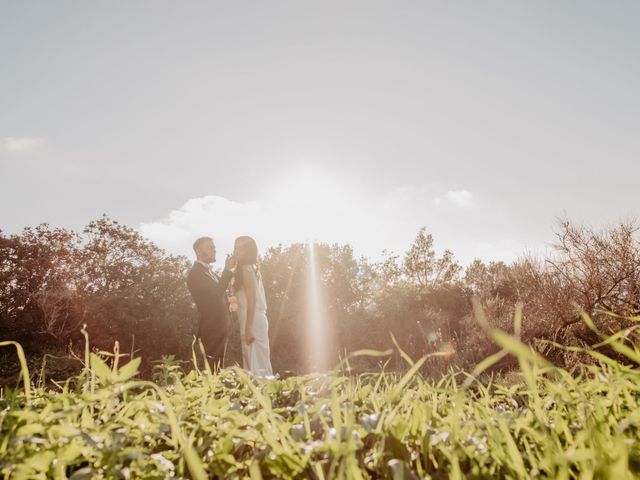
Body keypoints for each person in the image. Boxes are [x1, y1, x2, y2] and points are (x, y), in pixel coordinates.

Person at [186, 236, 236, 371]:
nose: (214, 250)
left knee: (218, 370)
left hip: (221, 328)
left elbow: (222, 290)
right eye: (210, 248)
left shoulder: (210, 272)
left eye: (214, 248)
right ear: (198, 251)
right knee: (212, 370)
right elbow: (216, 294)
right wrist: (227, 269)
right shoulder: (196, 273)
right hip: (211, 329)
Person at [233, 236, 273, 376]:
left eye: (241, 248)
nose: (237, 251)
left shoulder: (246, 268)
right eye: (236, 247)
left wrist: (249, 328)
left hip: (253, 320)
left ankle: (264, 394)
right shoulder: (250, 268)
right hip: (250, 318)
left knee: (257, 365)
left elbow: (252, 300)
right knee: (252, 362)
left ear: (248, 250)